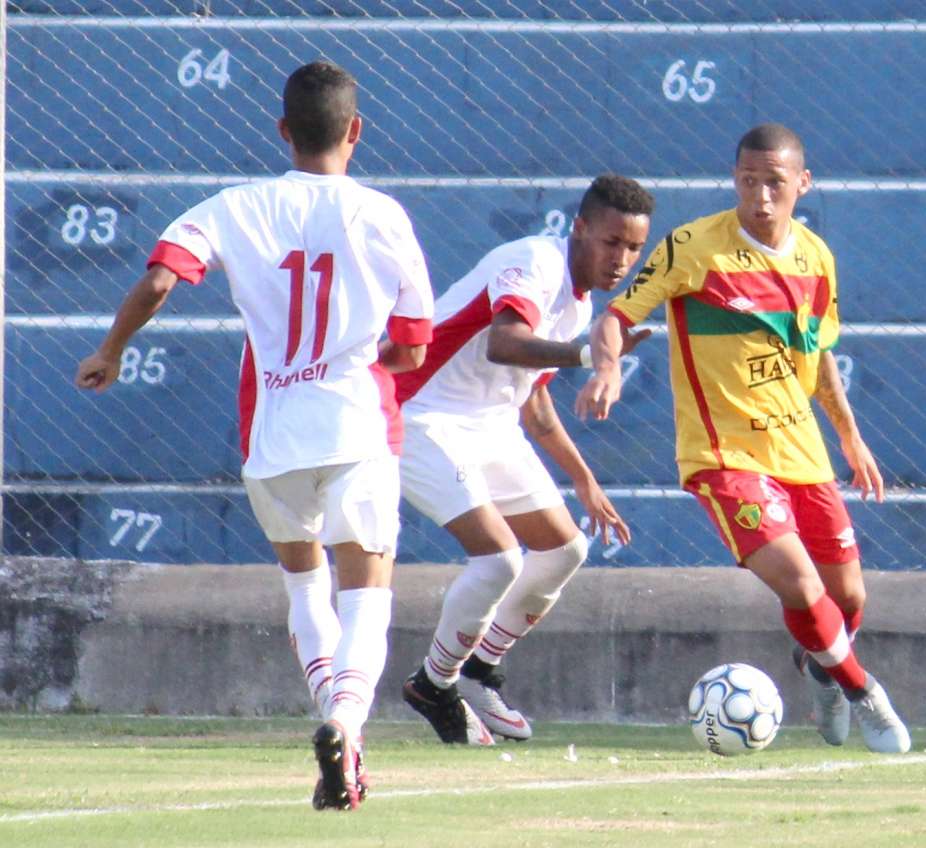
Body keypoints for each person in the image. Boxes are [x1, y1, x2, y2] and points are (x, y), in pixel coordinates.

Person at [74, 60, 435, 809]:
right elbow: (413, 346)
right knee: (367, 594)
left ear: (283, 131)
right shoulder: (383, 215)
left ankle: (339, 741)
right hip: (354, 427)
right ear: (356, 131)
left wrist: (112, 349)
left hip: (273, 440)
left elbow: (162, 278)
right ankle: (345, 720)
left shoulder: (235, 206)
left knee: (305, 587)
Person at [575, 124, 911, 755]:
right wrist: (607, 367)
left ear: (801, 185)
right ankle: (867, 694)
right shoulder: (695, 247)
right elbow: (617, 317)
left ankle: (820, 669)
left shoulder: (816, 257)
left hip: (801, 450)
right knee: (803, 588)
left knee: (848, 598)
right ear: (735, 180)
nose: (760, 197)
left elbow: (818, 359)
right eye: (748, 182)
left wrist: (851, 438)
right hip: (724, 456)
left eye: (774, 184)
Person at [395, 174, 654, 745]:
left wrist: (583, 481)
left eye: (635, 248)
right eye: (612, 242)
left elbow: (533, 403)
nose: (622, 259)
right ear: (580, 229)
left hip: (491, 427)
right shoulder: (534, 260)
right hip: (419, 416)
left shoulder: (579, 304)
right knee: (500, 562)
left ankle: (480, 672)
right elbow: (504, 342)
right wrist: (593, 355)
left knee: (565, 549)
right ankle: (432, 685)